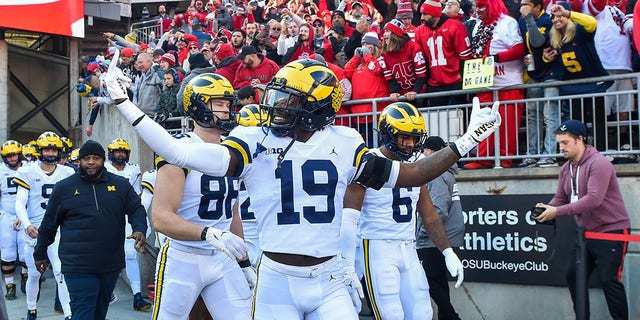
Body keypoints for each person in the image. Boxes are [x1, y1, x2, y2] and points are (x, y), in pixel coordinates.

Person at [104, 52, 500, 319]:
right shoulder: (254, 138)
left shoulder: (346, 143)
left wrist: (462, 144)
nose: (277, 105)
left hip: (328, 278)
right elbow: (182, 152)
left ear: (317, 108)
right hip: (276, 276)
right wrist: (126, 104)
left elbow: (407, 176)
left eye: (290, 100)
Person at [341, 103, 464, 319]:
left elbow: (429, 215)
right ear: (388, 133)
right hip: (377, 248)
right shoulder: (368, 161)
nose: (410, 144)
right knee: (392, 315)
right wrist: (347, 264)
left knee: (423, 314)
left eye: (414, 138)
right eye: (404, 137)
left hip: (409, 248)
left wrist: (447, 251)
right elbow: (349, 218)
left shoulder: (416, 164)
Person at [150, 73, 254, 319]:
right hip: (183, 256)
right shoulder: (179, 150)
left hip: (222, 257)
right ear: (196, 106)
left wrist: (244, 261)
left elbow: (233, 212)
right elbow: (161, 218)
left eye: (228, 104)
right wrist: (208, 233)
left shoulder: (232, 151)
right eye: (218, 104)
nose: (226, 110)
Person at [33, 140, 148, 320]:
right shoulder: (64, 188)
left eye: (96, 158)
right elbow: (49, 224)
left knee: (99, 311)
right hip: (77, 263)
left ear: (103, 160)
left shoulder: (120, 185)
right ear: (79, 161)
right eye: (86, 158)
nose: (91, 162)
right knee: (83, 310)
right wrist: (40, 252)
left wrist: (140, 228)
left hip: (110, 263)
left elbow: (136, 209)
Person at [533, 120, 630, 320]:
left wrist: (557, 212)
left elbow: (594, 199)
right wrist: (547, 208)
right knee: (573, 276)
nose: (561, 147)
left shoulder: (599, 163)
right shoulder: (566, 168)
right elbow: (560, 197)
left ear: (580, 140)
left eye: (565, 142)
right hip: (586, 234)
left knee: (609, 281)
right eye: (559, 143)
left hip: (612, 232)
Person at [14, 132, 75, 320]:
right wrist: (27, 225)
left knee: (60, 271)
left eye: (54, 149)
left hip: (58, 230)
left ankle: (69, 313)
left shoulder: (68, 172)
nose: (50, 152)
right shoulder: (27, 172)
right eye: (47, 149)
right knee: (33, 274)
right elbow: (19, 202)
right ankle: (31, 308)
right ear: (40, 151)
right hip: (36, 230)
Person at [543, 3, 612, 151]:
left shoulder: (580, 31)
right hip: (573, 88)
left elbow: (592, 22)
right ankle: (581, 153)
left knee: (598, 121)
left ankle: (601, 152)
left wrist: (568, 13)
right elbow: (554, 62)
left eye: (560, 16)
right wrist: (546, 58)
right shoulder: (554, 38)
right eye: (554, 17)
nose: (556, 20)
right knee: (577, 124)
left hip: (594, 84)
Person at [417, 135, 465, 320]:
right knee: (439, 282)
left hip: (435, 238)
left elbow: (437, 210)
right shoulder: (447, 172)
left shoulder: (437, 175)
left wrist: (422, 233)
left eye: (424, 151)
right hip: (446, 236)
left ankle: (452, 317)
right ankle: (448, 317)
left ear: (429, 152)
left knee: (429, 281)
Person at [103, 138, 152, 311]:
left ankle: (137, 296)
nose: (120, 155)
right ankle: (104, 290)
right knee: (106, 256)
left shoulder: (134, 170)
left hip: (125, 216)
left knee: (130, 255)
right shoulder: (104, 169)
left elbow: (137, 194)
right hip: (106, 217)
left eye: (123, 152)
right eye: (117, 151)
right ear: (111, 153)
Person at [517, 0, 560, 168]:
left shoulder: (547, 20)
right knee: (532, 116)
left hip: (550, 74)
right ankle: (532, 154)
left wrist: (528, 18)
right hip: (533, 73)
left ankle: (550, 155)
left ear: (537, 6)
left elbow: (538, 42)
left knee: (550, 115)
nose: (522, 7)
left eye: (526, 3)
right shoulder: (521, 20)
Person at [0, 140, 26, 300]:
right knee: (7, 251)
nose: (12, 158)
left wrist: (22, 216)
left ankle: (25, 275)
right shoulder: (1, 170)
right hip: (6, 214)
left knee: (25, 252)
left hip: (25, 214)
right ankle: (9, 284)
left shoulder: (29, 168)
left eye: (14, 154)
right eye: (8, 156)